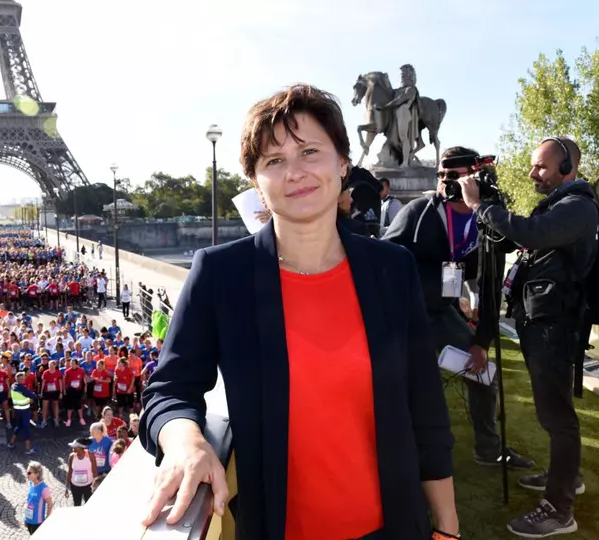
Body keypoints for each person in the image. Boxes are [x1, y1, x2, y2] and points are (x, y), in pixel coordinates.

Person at [139, 84, 458, 540]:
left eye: (310, 151)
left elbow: (425, 406)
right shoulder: (221, 274)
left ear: (342, 163)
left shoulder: (392, 269)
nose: (295, 172)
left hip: (394, 527)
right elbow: (169, 389)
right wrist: (186, 441)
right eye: (274, 161)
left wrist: (447, 525)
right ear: (256, 181)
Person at [458, 137, 597, 537]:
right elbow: (516, 237)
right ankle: (566, 478)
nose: (533, 173)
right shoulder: (558, 205)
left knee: (558, 419)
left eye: (541, 166)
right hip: (544, 323)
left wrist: (481, 206)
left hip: (555, 327)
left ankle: (559, 510)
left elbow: (532, 233)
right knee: (554, 415)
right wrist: (493, 206)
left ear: (567, 168)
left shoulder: (578, 207)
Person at [383, 146, 535, 472]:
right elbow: (384, 259)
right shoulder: (420, 211)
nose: (443, 181)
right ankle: (394, 449)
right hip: (403, 313)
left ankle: (489, 449)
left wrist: (482, 342)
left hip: (440, 312)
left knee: (483, 374)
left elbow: (491, 290)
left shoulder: (487, 221)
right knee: (404, 383)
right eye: (440, 174)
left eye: (452, 175)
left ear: (474, 178)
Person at [8, 371, 37, 455]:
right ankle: (27, 449)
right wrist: (31, 398)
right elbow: (33, 396)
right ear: (20, 379)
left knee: (18, 426)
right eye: (23, 379)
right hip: (25, 411)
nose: (23, 380)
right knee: (26, 428)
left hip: (17, 410)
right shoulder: (24, 389)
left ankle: (11, 443)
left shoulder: (13, 386)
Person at [24, 461, 53, 535]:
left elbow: (50, 504)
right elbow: (29, 501)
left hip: (37, 523)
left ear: (37, 474)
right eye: (27, 472)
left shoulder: (44, 488)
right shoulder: (31, 484)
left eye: (29, 473)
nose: (27, 474)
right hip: (29, 519)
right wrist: (26, 518)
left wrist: (47, 520)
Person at [66, 437, 97, 506]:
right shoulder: (71, 456)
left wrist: (96, 485)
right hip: (75, 486)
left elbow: (94, 470)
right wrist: (66, 486)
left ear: (80, 447)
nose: (73, 448)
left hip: (88, 485)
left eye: (75, 446)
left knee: (89, 504)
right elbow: (70, 471)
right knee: (77, 504)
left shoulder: (90, 455)